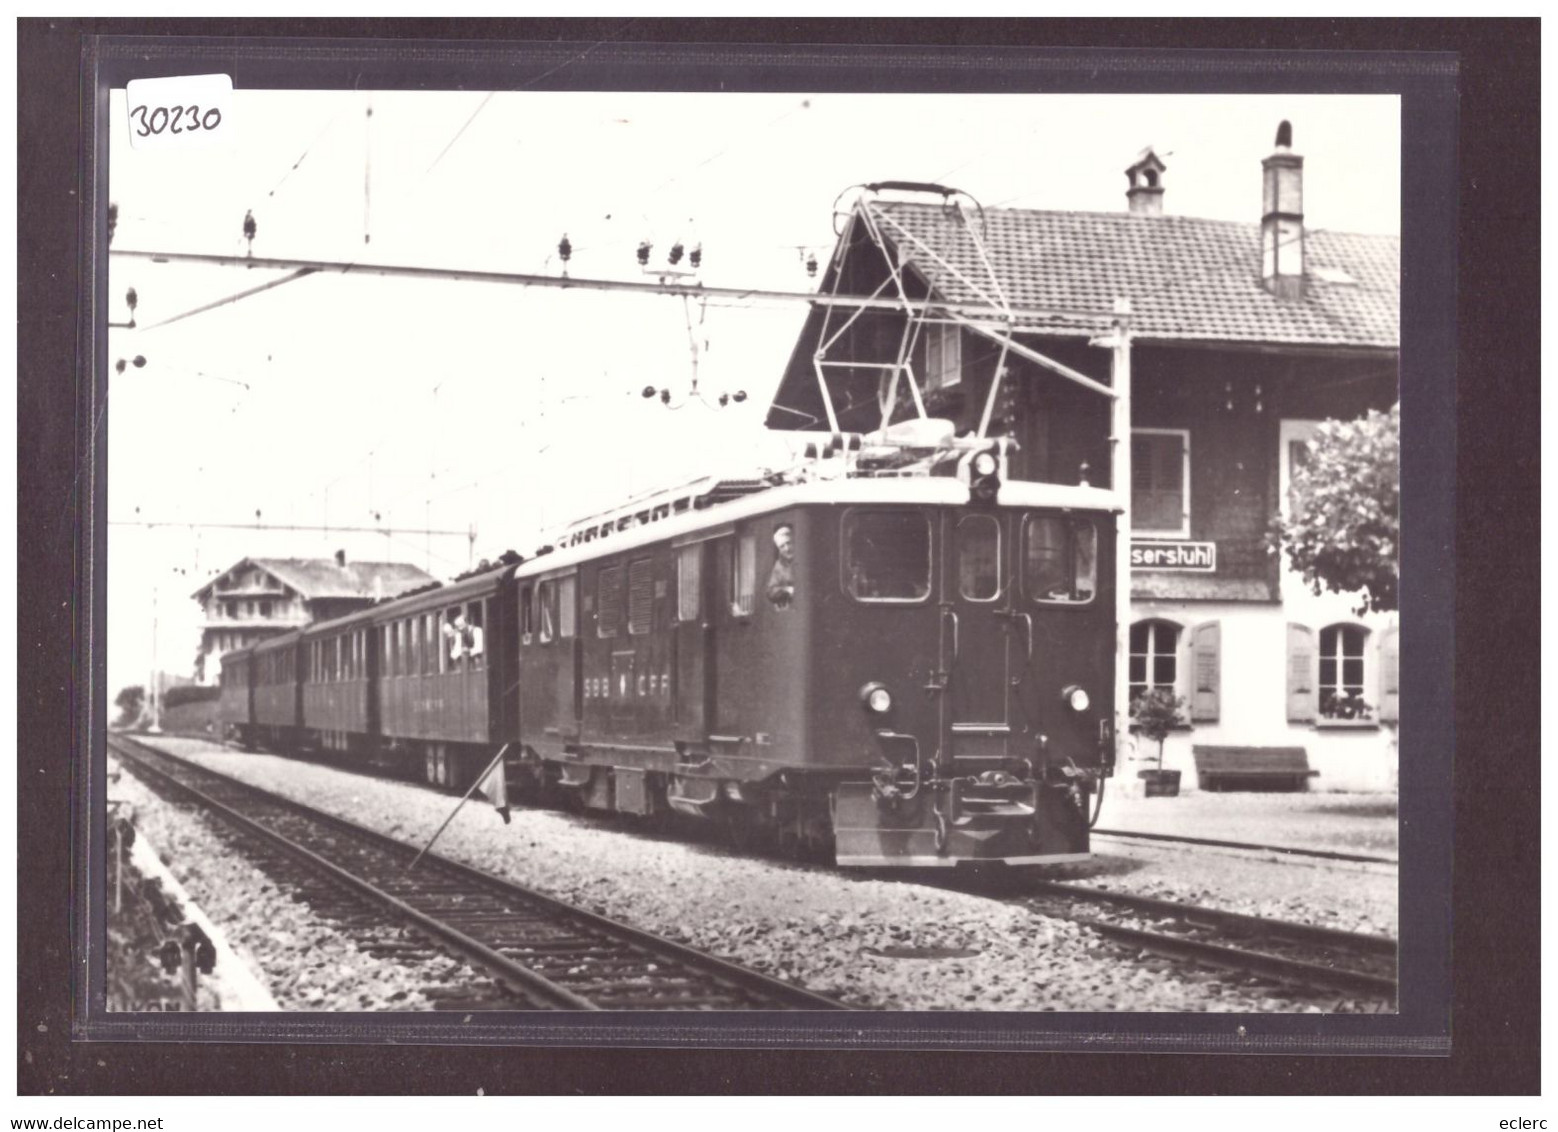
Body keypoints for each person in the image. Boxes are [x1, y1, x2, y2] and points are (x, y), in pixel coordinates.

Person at [767, 524, 796, 608]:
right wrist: (787, 590)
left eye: (788, 543)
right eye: (782, 546)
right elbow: (771, 590)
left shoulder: (805, 558)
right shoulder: (779, 566)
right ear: (779, 550)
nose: (787, 548)